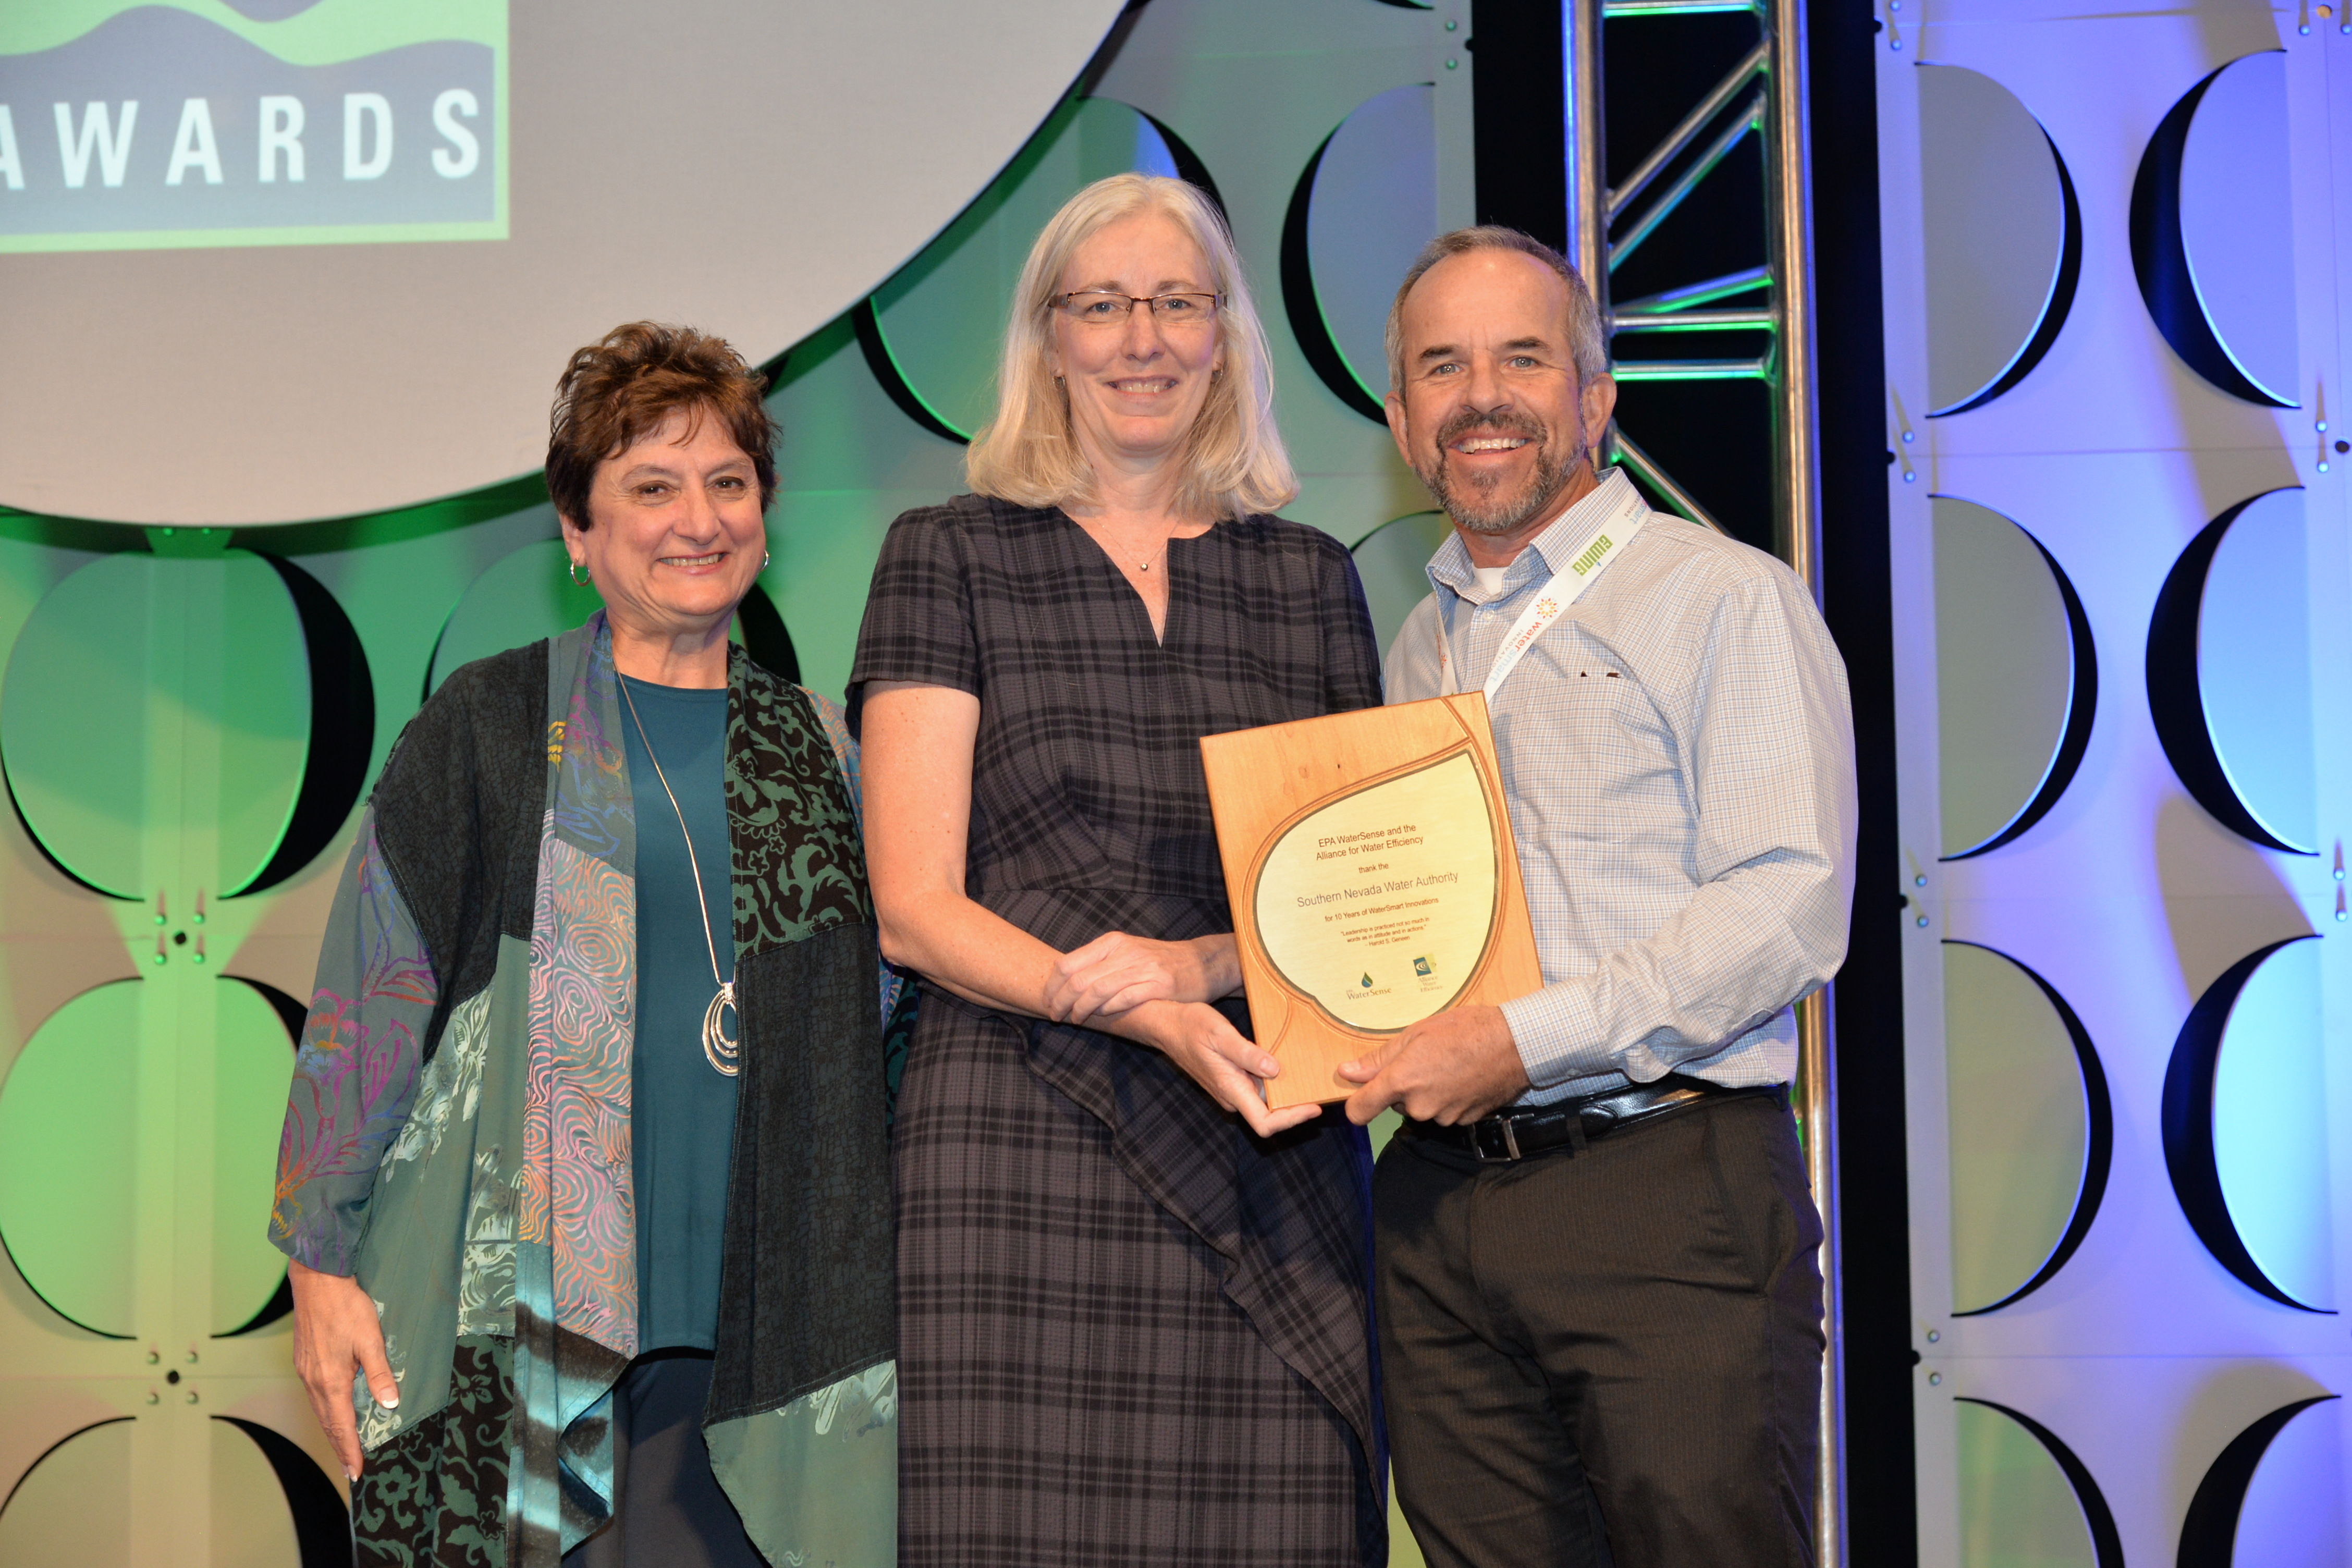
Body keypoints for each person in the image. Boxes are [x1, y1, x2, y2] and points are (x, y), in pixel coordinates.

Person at [268, 323, 901, 1568]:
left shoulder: (827, 753)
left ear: (766, 517)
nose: (698, 519)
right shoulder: (491, 726)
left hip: (769, 1348)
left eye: (729, 483)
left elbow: (891, 1035)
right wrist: (318, 1268)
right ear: (578, 532)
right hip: (524, 1345)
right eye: (650, 488)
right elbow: (368, 999)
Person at [852, 173, 1387, 1566]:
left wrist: (1197, 971)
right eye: (1103, 305)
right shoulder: (947, 555)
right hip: (1012, 1148)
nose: (1141, 339)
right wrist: (1135, 1007)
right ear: (1049, 339)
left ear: (1225, 337)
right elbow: (912, 908)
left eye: (1176, 302)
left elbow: (1348, 902)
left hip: (1265, 1140)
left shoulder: (1314, 578)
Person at [1339, 227, 1856, 1568]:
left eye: (1523, 356)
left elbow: (1789, 903)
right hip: (1442, 1204)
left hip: (1664, 1190)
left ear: (1594, 394)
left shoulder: (1724, 599)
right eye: (1441, 367)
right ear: (1401, 418)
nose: (1482, 395)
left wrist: (1522, 1040)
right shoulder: (1418, 639)